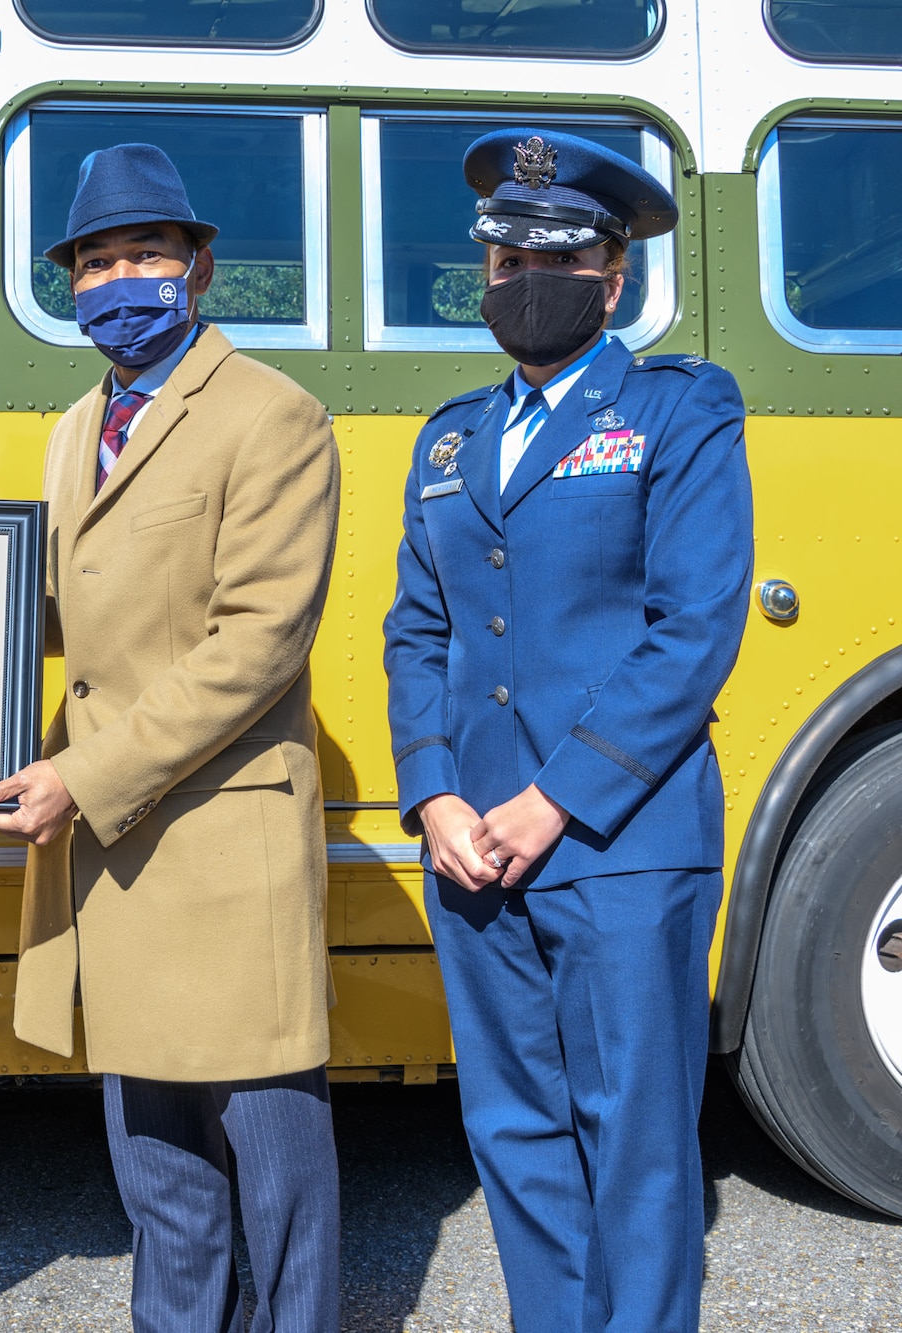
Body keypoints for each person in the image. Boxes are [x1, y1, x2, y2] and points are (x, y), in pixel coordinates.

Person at [0, 143, 342, 1332]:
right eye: (96, 261)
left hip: (219, 852)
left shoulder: (273, 416)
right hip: (116, 854)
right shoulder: (77, 425)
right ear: (68, 283)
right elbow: (76, 607)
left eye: (146, 254)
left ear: (199, 266)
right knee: (157, 1170)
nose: (120, 278)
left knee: (274, 1169)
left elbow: (255, 643)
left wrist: (76, 777)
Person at [382, 129, 752, 1331]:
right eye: (499, 261)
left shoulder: (676, 408)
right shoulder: (447, 440)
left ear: (613, 276)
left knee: (633, 1138)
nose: (518, 283)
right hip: (472, 851)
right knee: (513, 1130)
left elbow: (689, 628)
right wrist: (433, 794)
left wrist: (552, 799)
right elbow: (416, 632)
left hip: (615, 844)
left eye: (551, 259)